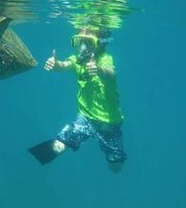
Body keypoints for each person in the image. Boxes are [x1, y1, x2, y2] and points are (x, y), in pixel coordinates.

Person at [28, 28, 126, 173]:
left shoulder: (105, 58)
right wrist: (55, 65)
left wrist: (98, 69)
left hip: (110, 122)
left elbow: (111, 73)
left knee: (115, 165)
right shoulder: (76, 59)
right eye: (79, 41)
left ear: (101, 43)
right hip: (85, 118)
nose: (82, 47)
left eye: (88, 42)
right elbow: (65, 65)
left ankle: (114, 158)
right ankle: (31, 167)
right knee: (59, 145)